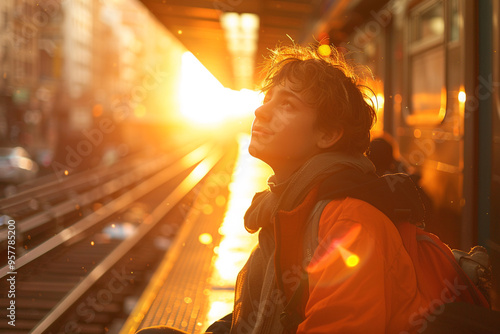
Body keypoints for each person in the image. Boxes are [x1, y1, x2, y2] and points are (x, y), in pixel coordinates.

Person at [137, 44, 489, 334]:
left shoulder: (351, 223)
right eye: (269, 98)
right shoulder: (290, 206)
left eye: (286, 104)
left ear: (328, 134)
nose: (261, 111)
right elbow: (268, 312)